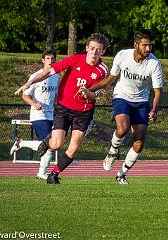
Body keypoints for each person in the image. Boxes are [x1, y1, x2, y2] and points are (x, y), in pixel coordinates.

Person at [14, 33, 110, 184]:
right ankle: (46, 142)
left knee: (74, 146)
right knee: (57, 144)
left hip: (84, 112)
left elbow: (96, 94)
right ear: (86, 48)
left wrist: (88, 93)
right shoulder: (75, 59)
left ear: (103, 51)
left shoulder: (103, 70)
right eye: (91, 48)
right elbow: (48, 72)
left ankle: (54, 174)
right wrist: (29, 83)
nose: (94, 52)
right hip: (64, 108)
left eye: (98, 50)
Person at [86, 30, 163, 184]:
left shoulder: (154, 63)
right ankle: (112, 152)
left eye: (150, 46)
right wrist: (90, 89)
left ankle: (121, 173)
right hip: (122, 97)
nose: (148, 49)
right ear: (136, 45)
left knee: (139, 142)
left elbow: (157, 91)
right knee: (122, 128)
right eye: (144, 45)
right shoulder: (123, 55)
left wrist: (154, 109)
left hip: (141, 102)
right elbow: (110, 79)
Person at [10, 49, 59, 180]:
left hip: (51, 115)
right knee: (49, 144)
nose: (50, 61)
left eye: (52, 58)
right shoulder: (36, 76)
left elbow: (56, 95)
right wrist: (34, 103)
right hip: (38, 115)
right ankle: (41, 172)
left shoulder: (56, 76)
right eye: (47, 58)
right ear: (43, 60)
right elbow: (25, 96)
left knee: (50, 145)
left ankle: (40, 171)